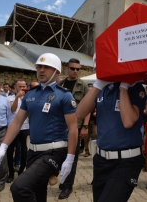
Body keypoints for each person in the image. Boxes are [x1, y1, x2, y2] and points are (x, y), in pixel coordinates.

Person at [0, 53, 78, 202]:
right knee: (38, 194)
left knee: (20, 187)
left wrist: (70, 158)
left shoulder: (65, 96)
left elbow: (73, 128)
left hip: (54, 152)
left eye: (47, 67)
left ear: (57, 72)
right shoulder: (30, 95)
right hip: (33, 151)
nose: (41, 70)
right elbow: (17, 122)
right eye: (39, 67)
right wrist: (3, 147)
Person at [76, 57, 146, 202]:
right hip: (102, 160)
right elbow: (80, 113)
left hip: (126, 161)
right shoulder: (101, 89)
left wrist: (123, 86)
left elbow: (128, 122)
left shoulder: (134, 87)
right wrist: (97, 85)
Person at [57, 58, 90, 199]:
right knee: (59, 156)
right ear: (67, 69)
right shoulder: (60, 84)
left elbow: (88, 107)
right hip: (59, 128)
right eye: (73, 68)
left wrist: (85, 126)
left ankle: (67, 186)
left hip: (75, 128)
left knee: (72, 157)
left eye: (78, 69)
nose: (75, 71)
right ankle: (63, 179)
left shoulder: (83, 86)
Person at [6, 79, 30, 183]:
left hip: (25, 127)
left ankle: (21, 171)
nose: (22, 88)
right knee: (10, 151)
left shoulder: (29, 98)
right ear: (15, 87)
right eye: (19, 86)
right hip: (12, 128)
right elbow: (13, 109)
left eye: (23, 86)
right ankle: (11, 173)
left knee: (24, 151)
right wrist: (17, 97)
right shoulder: (9, 98)